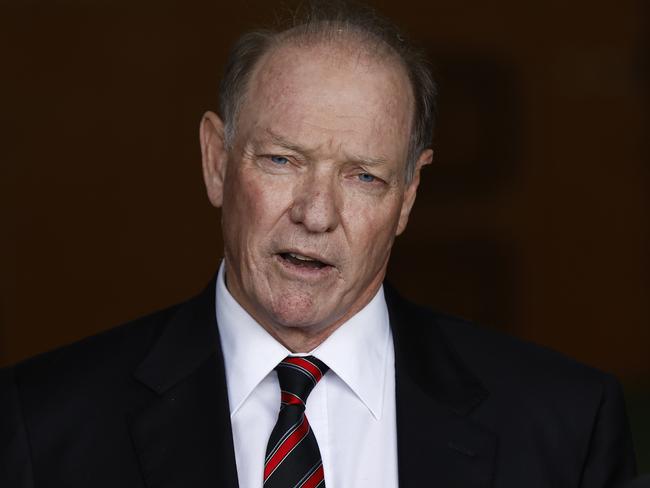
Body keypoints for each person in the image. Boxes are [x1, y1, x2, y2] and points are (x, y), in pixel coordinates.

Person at [0, 2, 637, 487]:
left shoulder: (564, 428)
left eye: (363, 175)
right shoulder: (43, 425)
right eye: (281, 159)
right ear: (216, 161)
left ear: (409, 196)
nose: (316, 214)